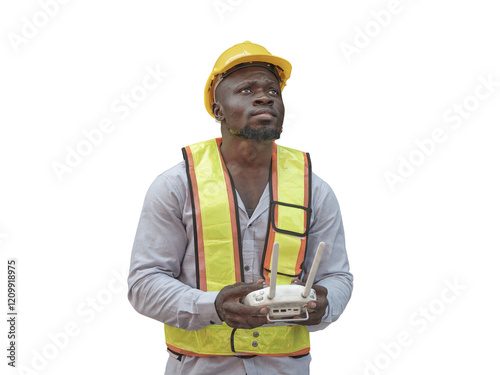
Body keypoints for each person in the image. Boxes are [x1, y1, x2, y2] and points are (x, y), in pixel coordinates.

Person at [128, 41, 353, 375]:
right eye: (246, 90)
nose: (264, 98)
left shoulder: (314, 190)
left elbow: (337, 276)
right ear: (218, 109)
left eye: (272, 92)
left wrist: (327, 302)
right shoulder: (177, 186)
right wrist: (213, 306)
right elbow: (144, 283)